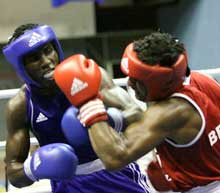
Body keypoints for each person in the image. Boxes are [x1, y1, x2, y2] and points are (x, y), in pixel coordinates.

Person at [55, 31, 220, 193]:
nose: (130, 83)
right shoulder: (202, 81)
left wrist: (88, 104)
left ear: (157, 82)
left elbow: (115, 158)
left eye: (136, 79)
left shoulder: (169, 111)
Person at [3, 23, 151, 193]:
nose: (46, 61)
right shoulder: (20, 106)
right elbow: (13, 173)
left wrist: (109, 120)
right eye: (34, 58)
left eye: (48, 51)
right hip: (67, 185)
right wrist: (34, 168)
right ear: (21, 67)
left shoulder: (89, 76)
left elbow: (139, 117)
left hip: (115, 173)